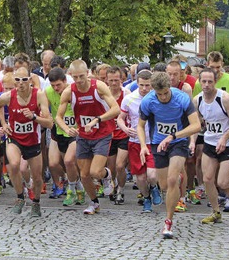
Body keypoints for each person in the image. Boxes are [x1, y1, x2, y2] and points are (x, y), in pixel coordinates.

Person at [138, 72, 201, 239]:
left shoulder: (182, 99)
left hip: (178, 142)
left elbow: (196, 126)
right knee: (164, 185)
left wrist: (173, 136)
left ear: (170, 88)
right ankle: (175, 178)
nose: (163, 97)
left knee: (172, 180)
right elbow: (140, 125)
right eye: (160, 94)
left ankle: (168, 222)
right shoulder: (148, 101)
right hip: (158, 144)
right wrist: (143, 146)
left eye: (166, 93)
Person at [56, 60, 120, 215]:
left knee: (95, 171)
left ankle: (106, 175)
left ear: (87, 74)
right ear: (70, 75)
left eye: (82, 76)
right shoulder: (68, 91)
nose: (79, 80)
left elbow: (116, 109)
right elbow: (58, 116)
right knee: (84, 175)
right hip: (84, 135)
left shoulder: (98, 87)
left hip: (102, 133)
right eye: (75, 77)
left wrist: (97, 119)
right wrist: (66, 128)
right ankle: (94, 203)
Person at [0, 67, 54, 217]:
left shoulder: (39, 95)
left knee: (37, 177)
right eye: (17, 80)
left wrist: (34, 117)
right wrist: (3, 123)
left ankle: (36, 203)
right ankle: (20, 197)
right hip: (14, 138)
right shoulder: (9, 96)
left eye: (23, 79)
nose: (20, 83)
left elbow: (49, 123)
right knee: (14, 165)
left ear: (29, 80)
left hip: (33, 140)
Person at [192, 68, 229, 223]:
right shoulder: (197, 100)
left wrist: (224, 138)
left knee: (222, 183)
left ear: (215, 82)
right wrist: (192, 141)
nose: (206, 85)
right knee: (207, 178)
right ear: (199, 82)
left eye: (210, 82)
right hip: (210, 141)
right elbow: (196, 124)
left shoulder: (225, 98)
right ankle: (216, 212)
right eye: (204, 81)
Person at [118, 70, 159, 213]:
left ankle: (154, 187)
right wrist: (125, 129)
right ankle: (147, 198)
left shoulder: (157, 98)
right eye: (141, 85)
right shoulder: (129, 98)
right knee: (140, 178)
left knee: (152, 174)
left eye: (147, 85)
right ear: (137, 83)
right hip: (135, 141)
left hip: (153, 141)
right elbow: (120, 118)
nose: (144, 89)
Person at [45, 67, 84, 205]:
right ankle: (78, 185)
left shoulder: (75, 90)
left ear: (65, 81)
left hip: (75, 132)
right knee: (54, 163)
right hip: (59, 130)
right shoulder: (48, 92)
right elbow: (44, 109)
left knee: (69, 161)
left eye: (58, 85)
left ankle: (72, 191)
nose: (56, 88)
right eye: (53, 85)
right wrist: (47, 118)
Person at [106, 66, 130, 204]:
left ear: (121, 79)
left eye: (116, 80)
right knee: (112, 167)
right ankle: (113, 184)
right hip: (108, 135)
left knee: (120, 165)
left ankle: (121, 190)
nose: (114, 83)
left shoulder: (126, 94)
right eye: (111, 80)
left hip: (123, 134)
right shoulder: (103, 94)